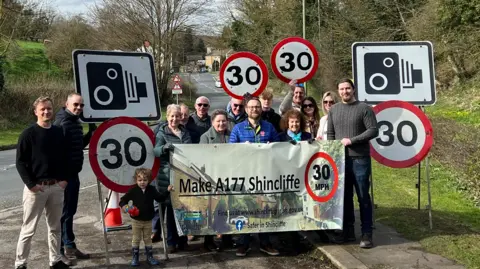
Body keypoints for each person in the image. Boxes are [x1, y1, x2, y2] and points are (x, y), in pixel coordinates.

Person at [15, 96, 70, 269]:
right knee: (28, 229)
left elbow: (65, 159)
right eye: (43, 109)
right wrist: (31, 185)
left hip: (56, 187)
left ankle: (55, 260)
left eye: (49, 109)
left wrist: (64, 180)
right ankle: (20, 263)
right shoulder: (28, 134)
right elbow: (20, 162)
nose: (46, 112)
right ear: (36, 112)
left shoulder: (58, 132)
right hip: (35, 189)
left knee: (55, 228)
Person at [327, 78, 379, 248]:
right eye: (341, 89)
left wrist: (352, 140)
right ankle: (348, 231)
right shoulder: (334, 110)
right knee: (345, 197)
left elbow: (373, 130)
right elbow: (331, 134)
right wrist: (333, 154)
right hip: (341, 160)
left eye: (347, 88)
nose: (345, 92)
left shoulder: (364, 108)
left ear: (353, 89)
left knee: (363, 196)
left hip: (360, 159)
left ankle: (366, 234)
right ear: (338, 91)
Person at [229, 95, 280, 257]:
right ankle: (244, 242)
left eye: (257, 107)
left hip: (265, 176)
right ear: (246, 109)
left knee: (264, 208)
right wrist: (242, 149)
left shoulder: (270, 127)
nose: (254, 109)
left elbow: (279, 148)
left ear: (260, 109)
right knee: (245, 208)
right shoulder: (238, 128)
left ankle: (265, 243)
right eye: (251, 107)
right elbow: (231, 150)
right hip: (246, 176)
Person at [53, 93, 95, 261]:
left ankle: (69, 245)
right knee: (63, 214)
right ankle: (60, 251)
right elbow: (56, 152)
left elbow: (76, 146)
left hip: (73, 175)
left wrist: (90, 135)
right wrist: (61, 177)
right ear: (67, 104)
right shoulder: (62, 122)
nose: (79, 108)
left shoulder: (75, 122)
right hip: (64, 177)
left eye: (81, 105)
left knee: (70, 212)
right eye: (76, 105)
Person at [153, 104, 192, 253]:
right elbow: (155, 151)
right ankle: (171, 241)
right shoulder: (162, 133)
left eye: (177, 116)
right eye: (172, 116)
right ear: (167, 117)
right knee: (170, 210)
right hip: (167, 176)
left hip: (183, 176)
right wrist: (163, 148)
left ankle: (183, 241)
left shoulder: (185, 133)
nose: (175, 119)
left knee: (182, 209)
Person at [119, 168, 173, 266]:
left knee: (148, 239)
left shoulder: (152, 190)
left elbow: (160, 198)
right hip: (136, 221)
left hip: (148, 220)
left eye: (145, 180)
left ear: (149, 180)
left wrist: (167, 191)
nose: (142, 182)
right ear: (136, 180)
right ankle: (135, 258)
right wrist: (125, 207)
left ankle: (150, 257)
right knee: (136, 239)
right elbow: (122, 200)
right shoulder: (133, 190)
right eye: (140, 180)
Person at [199, 109, 233, 251]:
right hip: (212, 179)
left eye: (224, 121)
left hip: (229, 177)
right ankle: (208, 241)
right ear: (212, 122)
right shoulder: (205, 137)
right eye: (218, 121)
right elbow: (203, 158)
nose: (221, 123)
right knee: (212, 209)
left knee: (227, 208)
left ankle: (227, 240)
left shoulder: (231, 135)